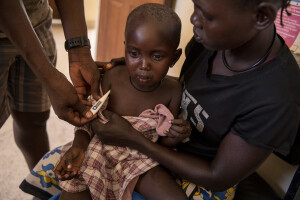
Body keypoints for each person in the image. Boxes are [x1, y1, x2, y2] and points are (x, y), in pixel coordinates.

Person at [90, 0, 300, 199]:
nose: (193, 19)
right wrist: (133, 72)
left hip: (200, 178)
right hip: (156, 149)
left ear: (262, 16)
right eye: (195, 6)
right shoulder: (211, 41)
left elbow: (217, 178)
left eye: (206, 14)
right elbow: (186, 89)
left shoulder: (276, 99)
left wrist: (133, 138)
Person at [54, 4, 190, 200]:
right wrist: (79, 145)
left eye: (157, 56)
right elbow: (89, 120)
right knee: (73, 184)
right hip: (99, 149)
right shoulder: (111, 77)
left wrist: (176, 135)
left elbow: (163, 142)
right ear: (125, 48)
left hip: (141, 159)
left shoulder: (173, 90)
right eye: (134, 54)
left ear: (174, 58)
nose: (144, 66)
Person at [0, 0, 99, 171]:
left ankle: (41, 183)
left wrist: (79, 50)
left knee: (34, 119)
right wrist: (49, 77)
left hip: (37, 22)